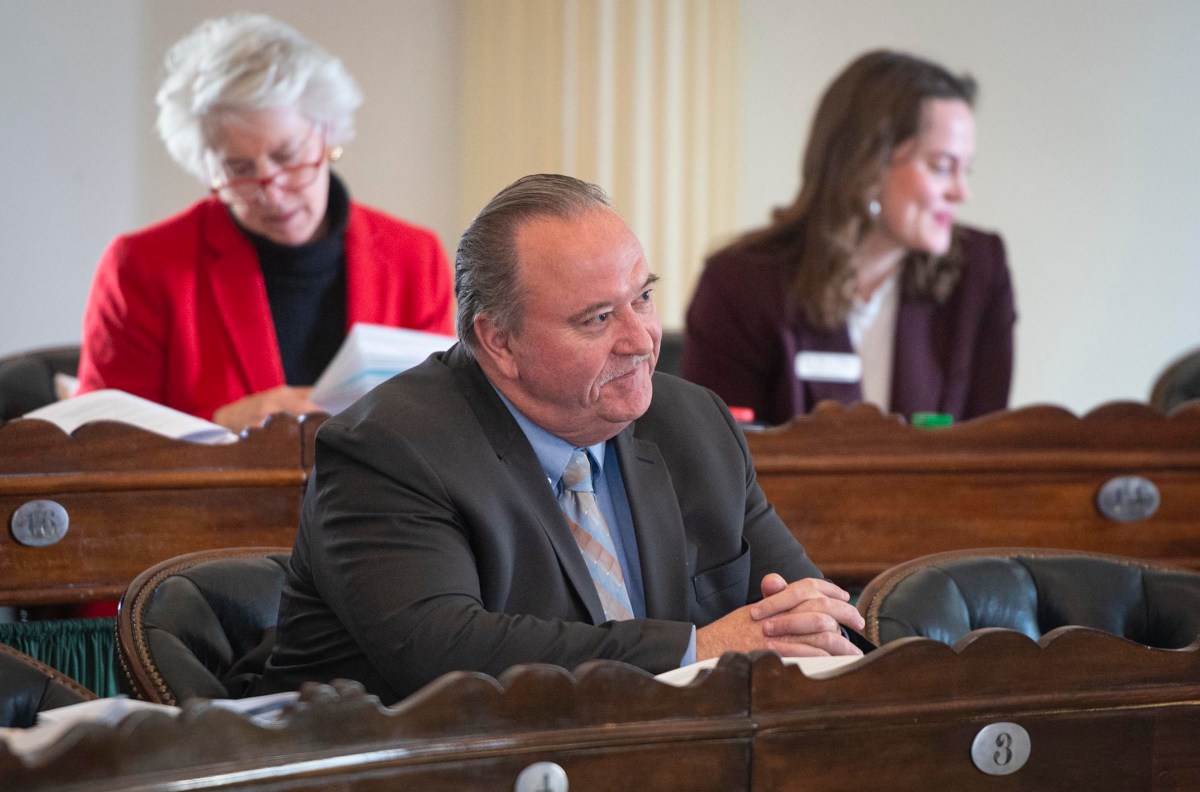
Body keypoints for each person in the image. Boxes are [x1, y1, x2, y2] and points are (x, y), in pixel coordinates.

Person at [260, 174, 865, 703]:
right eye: (598, 318)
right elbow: (444, 653)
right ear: (499, 340)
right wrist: (695, 649)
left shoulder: (693, 424)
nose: (640, 340)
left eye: (644, 299)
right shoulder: (389, 449)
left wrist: (818, 632)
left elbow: (813, 615)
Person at [76, 13, 455, 431]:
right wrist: (220, 425)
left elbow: (438, 426)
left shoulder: (413, 259)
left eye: (288, 156)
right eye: (239, 168)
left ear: (327, 134)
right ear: (206, 165)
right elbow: (96, 443)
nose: (270, 191)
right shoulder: (142, 266)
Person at [682, 50, 1016, 426]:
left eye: (965, 169)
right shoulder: (740, 283)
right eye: (941, 167)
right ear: (867, 163)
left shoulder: (980, 273)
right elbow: (714, 464)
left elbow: (989, 457)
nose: (961, 192)